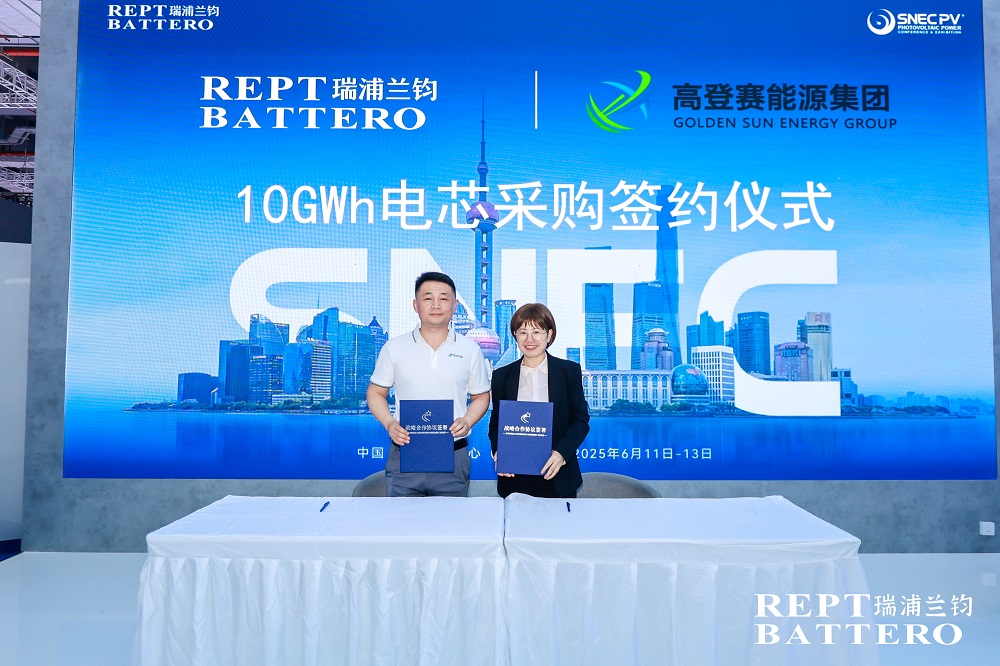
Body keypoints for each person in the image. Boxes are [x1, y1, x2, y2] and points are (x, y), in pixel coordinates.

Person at [367, 271, 491, 497]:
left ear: (454, 306)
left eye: (443, 298)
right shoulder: (394, 347)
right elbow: (375, 393)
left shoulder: (470, 349)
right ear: (415, 305)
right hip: (405, 452)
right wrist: (390, 423)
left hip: (453, 454)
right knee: (400, 517)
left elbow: (481, 396)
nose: (436, 305)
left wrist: (467, 420)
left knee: (451, 519)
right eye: (428, 298)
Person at [488, 303, 590, 498]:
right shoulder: (502, 376)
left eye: (536, 332)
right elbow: (496, 425)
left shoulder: (568, 372)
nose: (530, 339)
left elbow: (580, 421)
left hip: (558, 475)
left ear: (549, 335)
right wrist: (499, 451)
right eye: (523, 333)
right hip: (514, 477)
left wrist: (561, 453)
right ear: (515, 336)